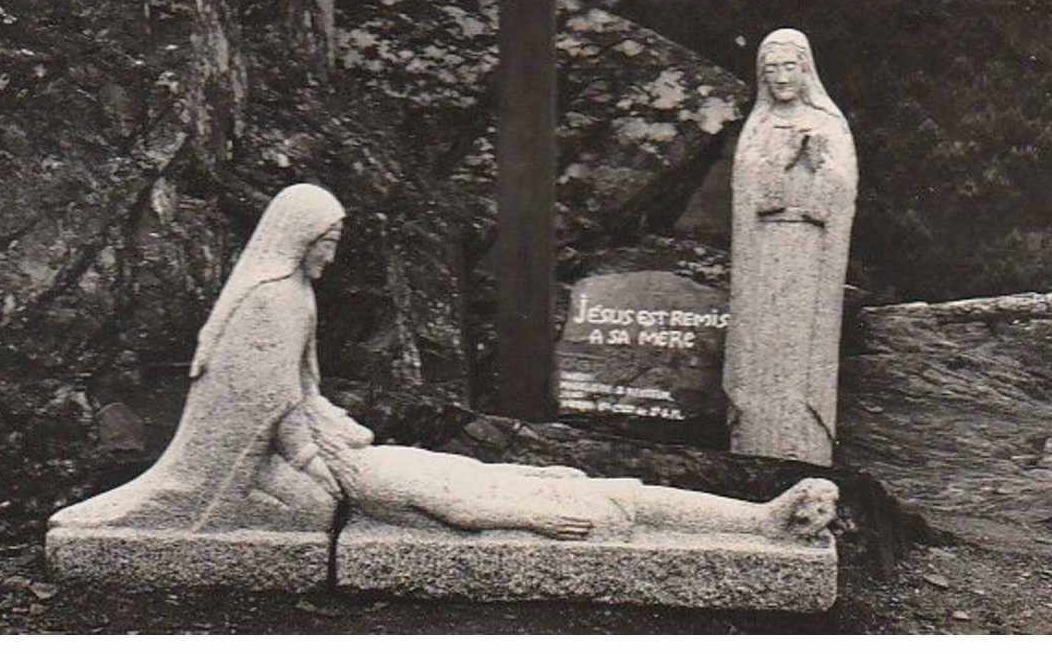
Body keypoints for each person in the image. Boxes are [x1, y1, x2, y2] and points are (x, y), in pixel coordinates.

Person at [51, 183, 347, 533]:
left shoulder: (298, 292)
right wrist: (311, 461)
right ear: (302, 236)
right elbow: (274, 397)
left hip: (270, 443)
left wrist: (340, 432)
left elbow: (302, 386)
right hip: (231, 457)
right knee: (315, 508)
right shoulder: (272, 298)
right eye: (327, 244)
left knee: (321, 503)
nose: (330, 258)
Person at [305, 393, 837, 544]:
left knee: (643, 498)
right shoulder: (373, 475)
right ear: (322, 437)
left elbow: (469, 473)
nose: (345, 414)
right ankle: (761, 523)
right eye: (331, 415)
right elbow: (464, 509)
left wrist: (536, 473)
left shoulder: (374, 459)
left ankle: (759, 519)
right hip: (524, 514)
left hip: (523, 493)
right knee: (642, 504)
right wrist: (537, 518)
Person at [723, 29, 858, 465]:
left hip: (809, 257)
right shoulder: (758, 126)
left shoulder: (829, 124)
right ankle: (754, 445)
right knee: (762, 346)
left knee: (801, 352)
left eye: (789, 66)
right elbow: (747, 194)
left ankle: (804, 448)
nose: (781, 77)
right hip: (763, 256)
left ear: (806, 70)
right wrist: (777, 161)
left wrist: (821, 166)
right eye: (771, 68)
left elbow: (841, 194)